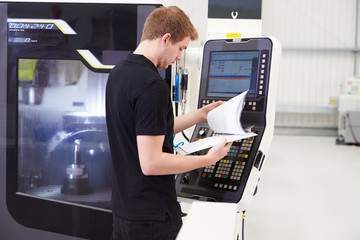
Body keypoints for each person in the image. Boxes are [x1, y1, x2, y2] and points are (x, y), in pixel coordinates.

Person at [106, 6, 232, 240]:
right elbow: (151, 163)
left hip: (124, 211)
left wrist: (200, 114)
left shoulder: (118, 74)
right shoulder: (152, 86)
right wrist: (207, 159)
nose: (179, 57)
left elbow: (149, 130)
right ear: (166, 39)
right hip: (152, 218)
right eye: (181, 48)